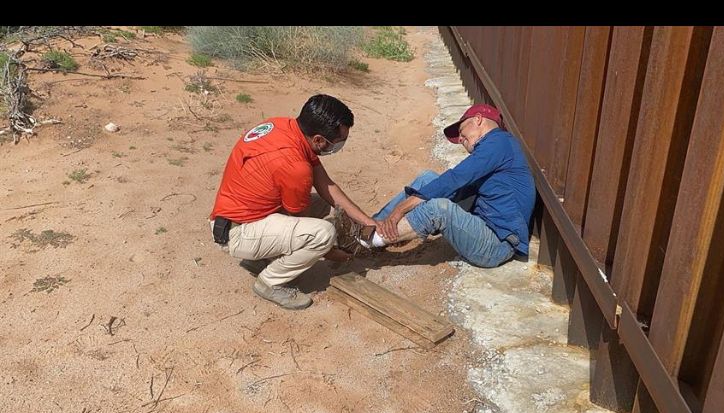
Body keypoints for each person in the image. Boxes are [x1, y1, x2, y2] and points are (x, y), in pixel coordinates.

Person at [209, 94, 376, 310]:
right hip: (236, 233)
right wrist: (331, 253)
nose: (339, 145)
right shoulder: (295, 167)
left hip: (235, 217)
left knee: (321, 204)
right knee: (323, 234)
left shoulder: (283, 127)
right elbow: (300, 219)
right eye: (338, 142)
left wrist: (367, 221)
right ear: (318, 140)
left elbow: (326, 185)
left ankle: (260, 258)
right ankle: (270, 283)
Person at [358, 103, 536, 268]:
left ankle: (368, 241)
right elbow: (455, 188)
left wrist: (401, 210)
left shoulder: (499, 142)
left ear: (478, 119)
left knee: (439, 208)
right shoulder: (495, 147)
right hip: (478, 227)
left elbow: (455, 179)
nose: (460, 139)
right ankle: (369, 226)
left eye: (461, 130)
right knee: (427, 178)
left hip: (496, 244)